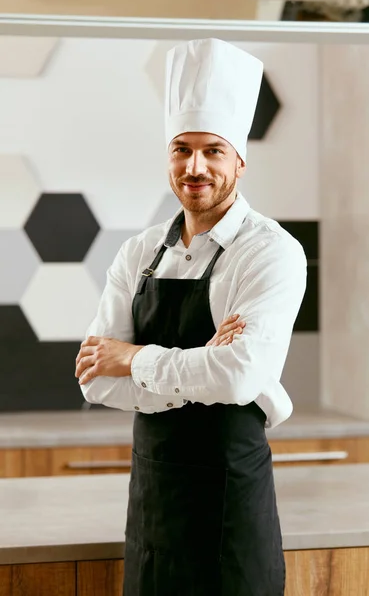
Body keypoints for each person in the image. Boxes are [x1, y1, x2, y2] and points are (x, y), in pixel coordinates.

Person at [75, 38, 307, 596]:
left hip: (230, 504)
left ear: (240, 161)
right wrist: (203, 366)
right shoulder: (139, 252)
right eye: (182, 148)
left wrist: (134, 359)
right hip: (153, 501)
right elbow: (94, 380)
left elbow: (242, 377)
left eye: (213, 150)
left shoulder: (270, 251)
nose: (195, 166)